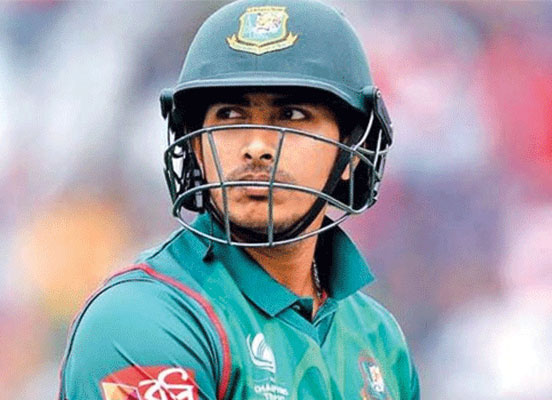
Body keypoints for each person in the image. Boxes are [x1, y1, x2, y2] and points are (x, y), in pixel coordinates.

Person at [58, 0, 420, 399]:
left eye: (293, 115)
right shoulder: (143, 318)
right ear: (196, 147)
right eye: (230, 115)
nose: (257, 147)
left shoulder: (379, 339)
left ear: (351, 152)